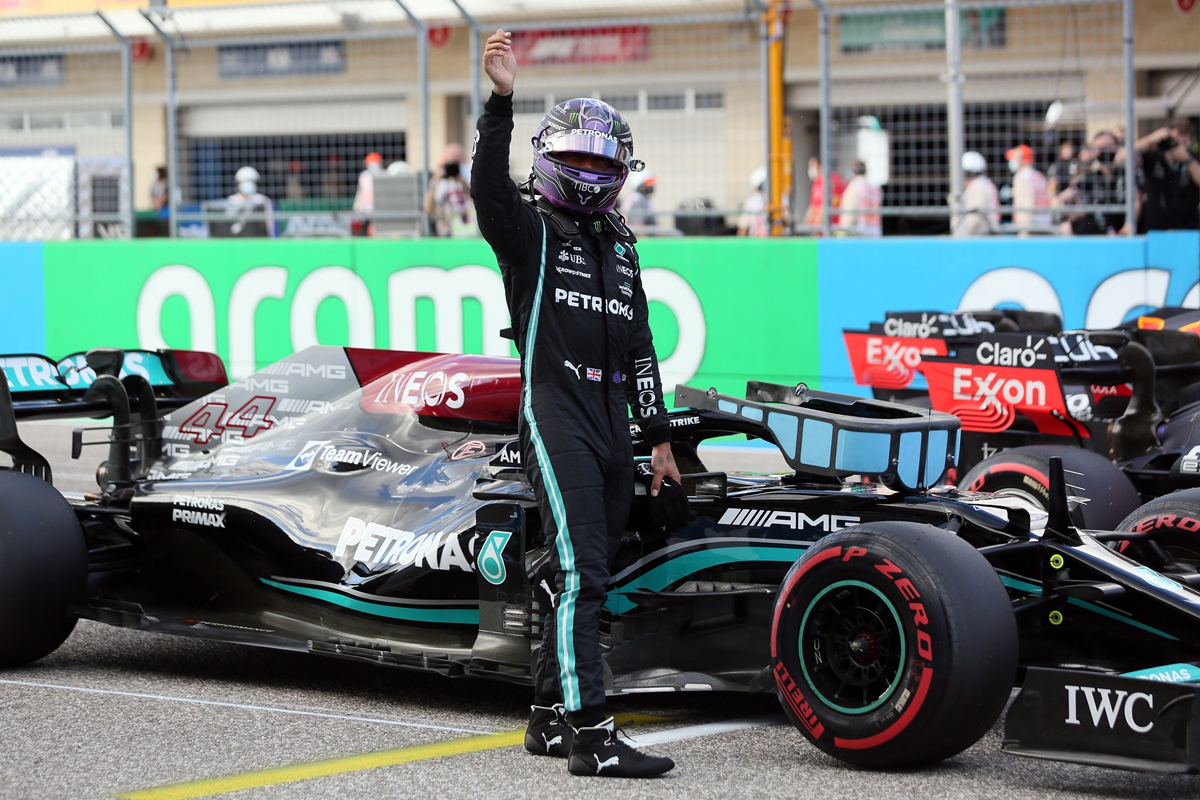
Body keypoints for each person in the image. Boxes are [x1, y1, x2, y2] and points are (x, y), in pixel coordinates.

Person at [473, 28, 679, 779]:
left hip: (612, 427)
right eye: (578, 158)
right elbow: (487, 189)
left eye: (604, 161)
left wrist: (657, 439)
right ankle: (594, 736)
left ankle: (549, 718)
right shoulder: (526, 233)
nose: (590, 172)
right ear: (549, 160)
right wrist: (501, 101)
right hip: (553, 413)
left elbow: (640, 347)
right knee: (584, 573)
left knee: (573, 576)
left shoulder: (622, 246)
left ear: (622, 171)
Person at [1057, 130, 1136, 235]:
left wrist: (1127, 228)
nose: (1104, 151)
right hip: (1091, 235)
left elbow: (1136, 201)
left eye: (1107, 146)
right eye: (1100, 147)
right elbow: (1060, 199)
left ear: (1117, 147)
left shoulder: (1128, 176)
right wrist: (1070, 212)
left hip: (1118, 236)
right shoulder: (1089, 178)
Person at [1136, 119, 1200, 231]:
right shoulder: (1153, 157)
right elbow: (1121, 157)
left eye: (1181, 137)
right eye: (1173, 138)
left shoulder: (1194, 158)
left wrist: (1188, 160)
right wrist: (1151, 138)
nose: (1176, 142)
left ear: (1188, 138)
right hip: (1156, 228)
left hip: (1187, 227)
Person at [424, 144, 474, 237]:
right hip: (447, 233)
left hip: (470, 232)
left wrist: (462, 182)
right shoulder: (441, 181)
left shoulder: (470, 173)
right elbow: (429, 209)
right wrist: (434, 181)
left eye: (456, 162)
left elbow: (477, 203)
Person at [1005, 144, 1051, 234]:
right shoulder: (1039, 175)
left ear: (1023, 159)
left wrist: (1023, 231)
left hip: (1030, 227)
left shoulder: (1021, 177)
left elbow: (1025, 205)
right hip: (1045, 224)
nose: (1012, 161)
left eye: (1015, 158)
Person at [953, 151, 999, 237]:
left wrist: (961, 233)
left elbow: (975, 215)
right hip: (983, 233)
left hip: (982, 234)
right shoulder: (983, 183)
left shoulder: (979, 186)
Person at [225, 166, 275, 237]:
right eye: (245, 181)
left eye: (251, 181)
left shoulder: (263, 201)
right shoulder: (231, 200)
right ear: (239, 184)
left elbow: (269, 226)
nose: (248, 184)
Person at [837, 160, 882, 237]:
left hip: (857, 234)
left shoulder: (854, 187)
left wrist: (843, 233)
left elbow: (848, 215)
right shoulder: (875, 188)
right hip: (875, 233)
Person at [802, 156, 845, 230]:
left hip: (823, 230)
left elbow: (822, 206)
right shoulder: (841, 181)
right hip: (838, 227)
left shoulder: (820, 182)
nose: (811, 169)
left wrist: (813, 229)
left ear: (819, 165)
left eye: (812, 165)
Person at [737, 166, 768, 237]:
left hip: (756, 240)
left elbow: (743, 228)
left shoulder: (751, 200)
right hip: (771, 240)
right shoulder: (752, 200)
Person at [353, 152, 384, 216]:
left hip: (381, 207)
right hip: (366, 208)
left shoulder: (384, 175)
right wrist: (357, 207)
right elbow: (360, 192)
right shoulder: (364, 176)